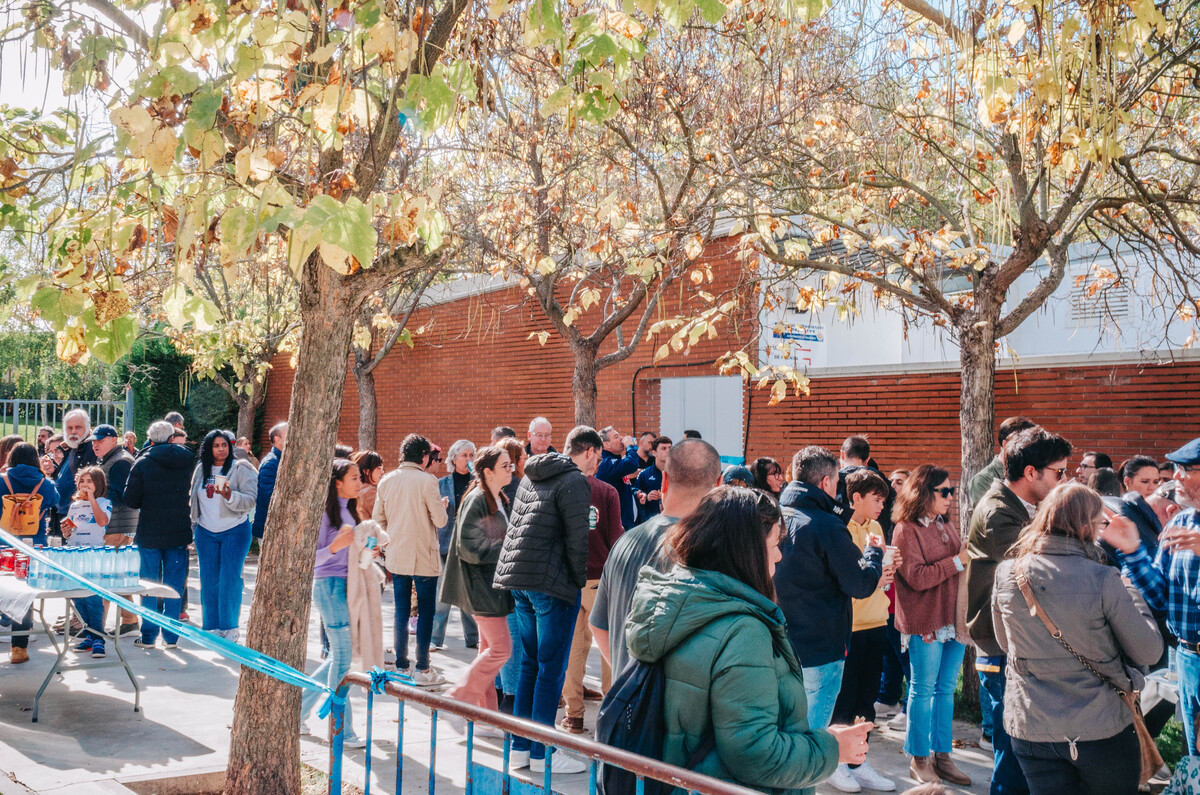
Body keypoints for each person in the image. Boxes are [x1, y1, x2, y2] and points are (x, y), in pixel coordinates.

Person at [624, 486, 870, 795]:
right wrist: (833, 748)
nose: (780, 555)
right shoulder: (743, 630)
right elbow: (755, 754)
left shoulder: (685, 600)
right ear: (748, 548)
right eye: (774, 544)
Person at [993, 483, 1162, 794]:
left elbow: (1006, 644)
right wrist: (1129, 586)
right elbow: (1149, 650)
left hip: (1032, 724)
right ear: (1088, 525)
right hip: (1100, 725)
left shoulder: (1007, 573)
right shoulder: (1104, 579)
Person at [966, 426, 1072, 795]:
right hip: (1000, 645)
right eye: (1059, 472)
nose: (1065, 479)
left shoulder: (1029, 506)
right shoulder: (997, 512)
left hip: (1022, 642)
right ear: (1031, 473)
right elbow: (1041, 567)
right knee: (1012, 754)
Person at [493, 425, 600, 774]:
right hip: (551, 585)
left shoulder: (531, 475)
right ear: (587, 452)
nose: (596, 465)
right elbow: (577, 540)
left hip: (521, 580)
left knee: (531, 665)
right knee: (550, 670)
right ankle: (543, 753)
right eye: (596, 457)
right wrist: (575, 582)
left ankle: (521, 748)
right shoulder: (574, 482)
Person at [591, 437, 723, 675]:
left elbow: (599, 625)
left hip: (626, 698)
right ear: (719, 484)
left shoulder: (624, 543)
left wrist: (629, 677)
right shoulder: (718, 548)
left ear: (664, 481)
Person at [776, 446, 884, 730]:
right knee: (809, 744)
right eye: (836, 482)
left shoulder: (776, 516)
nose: (838, 490)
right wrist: (874, 554)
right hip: (819, 650)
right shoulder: (827, 525)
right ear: (825, 482)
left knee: (786, 735)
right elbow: (860, 584)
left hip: (779, 646)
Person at [1105, 437, 1200, 757]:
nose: (1176, 477)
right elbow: (1161, 597)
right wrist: (1132, 552)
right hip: (1188, 658)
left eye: (1185, 469)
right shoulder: (1184, 521)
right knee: (1195, 751)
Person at [893, 465, 972, 787]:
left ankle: (943, 756)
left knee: (944, 691)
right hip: (924, 619)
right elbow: (917, 577)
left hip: (953, 620)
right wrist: (958, 560)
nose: (950, 497)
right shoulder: (905, 530)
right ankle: (919, 757)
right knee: (923, 690)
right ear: (923, 493)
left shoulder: (944, 524)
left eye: (951, 490)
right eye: (944, 491)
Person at [828, 469, 898, 793]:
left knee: (866, 700)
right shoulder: (840, 529)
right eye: (876, 499)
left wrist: (887, 571)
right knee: (845, 698)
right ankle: (837, 763)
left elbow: (876, 575)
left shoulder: (877, 526)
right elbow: (852, 578)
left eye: (884, 500)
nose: (882, 505)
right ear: (855, 497)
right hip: (850, 625)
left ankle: (858, 760)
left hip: (877, 620)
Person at [439, 446, 514, 719]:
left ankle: (485, 718)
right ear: (488, 471)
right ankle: (456, 700)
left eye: (510, 465)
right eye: (505, 466)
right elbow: (468, 546)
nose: (511, 470)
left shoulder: (495, 496)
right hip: (480, 588)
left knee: (487, 649)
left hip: (488, 586)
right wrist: (506, 551)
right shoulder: (479, 498)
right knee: (501, 649)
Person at [299, 458, 368, 748]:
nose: (359, 482)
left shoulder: (350, 510)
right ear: (337, 482)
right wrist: (336, 546)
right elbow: (311, 559)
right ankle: (342, 730)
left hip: (347, 587)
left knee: (337, 657)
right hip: (328, 587)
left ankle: (298, 711)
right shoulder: (326, 514)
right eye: (354, 477)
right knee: (342, 658)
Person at [374, 433, 448, 686]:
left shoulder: (386, 480)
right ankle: (423, 668)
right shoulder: (428, 481)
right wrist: (443, 506)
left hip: (397, 554)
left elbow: (378, 520)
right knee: (426, 612)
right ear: (424, 456)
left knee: (401, 611)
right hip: (424, 555)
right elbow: (440, 520)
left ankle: (402, 666)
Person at [560, 468, 623, 733]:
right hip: (601, 580)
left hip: (568, 580)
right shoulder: (606, 491)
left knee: (574, 649)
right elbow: (616, 538)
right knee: (610, 645)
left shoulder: (560, 488)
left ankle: (573, 714)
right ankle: (610, 711)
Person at [124, 421, 194, 650]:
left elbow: (131, 500)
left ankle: (148, 636)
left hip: (150, 531)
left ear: (150, 439)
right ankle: (171, 637)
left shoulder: (143, 462)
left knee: (149, 585)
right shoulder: (187, 460)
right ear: (172, 437)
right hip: (178, 530)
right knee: (174, 585)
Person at [190, 429, 258, 642]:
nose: (221, 449)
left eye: (224, 445)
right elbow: (193, 499)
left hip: (235, 530)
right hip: (206, 532)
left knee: (229, 579)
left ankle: (230, 627)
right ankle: (212, 627)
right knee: (209, 579)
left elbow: (251, 499)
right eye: (216, 446)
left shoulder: (241, 468)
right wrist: (193, 527)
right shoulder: (201, 469)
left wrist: (230, 495)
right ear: (208, 448)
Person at [1, 443, 59, 664]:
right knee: (25, 591)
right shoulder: (45, 484)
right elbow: (55, 502)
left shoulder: (1, 480)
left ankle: (3, 619)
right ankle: (19, 647)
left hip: (4, 542)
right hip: (34, 544)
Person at [89, 423, 140, 637]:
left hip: (118, 526)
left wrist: (95, 496)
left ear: (113, 440)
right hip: (117, 525)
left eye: (100, 440)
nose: (95, 444)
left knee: (104, 576)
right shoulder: (113, 460)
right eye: (93, 440)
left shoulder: (120, 462)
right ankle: (129, 621)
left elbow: (121, 498)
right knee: (116, 576)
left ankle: (95, 628)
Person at [434, 439, 479, 650]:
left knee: (469, 593)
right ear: (454, 458)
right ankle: (435, 639)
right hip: (445, 544)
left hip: (469, 545)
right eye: (464, 456)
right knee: (442, 595)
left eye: (472, 456)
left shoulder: (478, 483)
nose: (469, 460)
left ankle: (472, 638)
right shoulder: (441, 483)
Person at [63, 466, 112, 658]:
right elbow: (71, 529)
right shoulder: (74, 505)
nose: (85, 485)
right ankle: (89, 635)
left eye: (89, 481)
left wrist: (91, 498)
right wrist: (66, 531)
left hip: (94, 555)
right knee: (78, 597)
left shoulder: (104, 502)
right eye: (82, 481)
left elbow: (101, 522)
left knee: (92, 598)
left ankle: (99, 638)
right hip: (74, 554)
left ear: (98, 484)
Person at [966, 417, 1037, 509]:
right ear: (1006, 445)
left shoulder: (1028, 473)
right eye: (1024, 445)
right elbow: (989, 519)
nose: (1029, 451)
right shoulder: (982, 480)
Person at [54, 410, 98, 532]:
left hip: (83, 514)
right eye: (69, 428)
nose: (73, 431)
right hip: (68, 510)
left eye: (78, 427)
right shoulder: (74, 446)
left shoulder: (92, 448)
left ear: (87, 428)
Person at [597, 426, 640, 529]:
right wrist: (630, 446)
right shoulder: (605, 463)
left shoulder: (616, 462)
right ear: (606, 444)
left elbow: (620, 486)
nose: (621, 438)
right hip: (618, 527)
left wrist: (634, 493)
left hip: (627, 523)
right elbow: (631, 464)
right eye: (616, 437)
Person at [252, 422, 287, 540]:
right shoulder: (271, 463)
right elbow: (269, 496)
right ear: (278, 439)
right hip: (269, 529)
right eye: (288, 432)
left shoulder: (281, 460)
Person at [633, 436, 671, 522]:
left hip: (672, 523)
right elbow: (636, 494)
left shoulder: (677, 474)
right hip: (650, 522)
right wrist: (647, 497)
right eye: (663, 448)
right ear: (654, 453)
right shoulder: (644, 474)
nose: (668, 451)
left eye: (670, 448)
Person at [350, 450, 384, 521]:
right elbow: (382, 517)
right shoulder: (369, 491)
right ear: (367, 471)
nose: (382, 472)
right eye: (379, 468)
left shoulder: (356, 489)